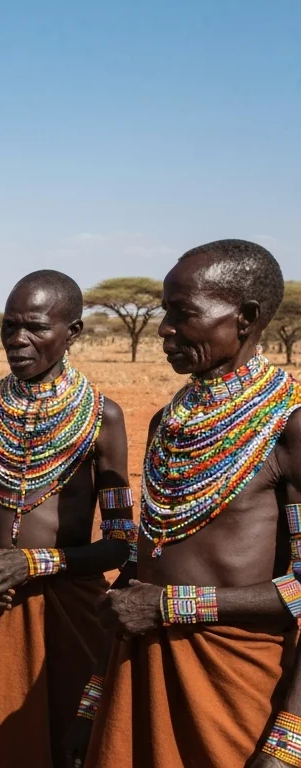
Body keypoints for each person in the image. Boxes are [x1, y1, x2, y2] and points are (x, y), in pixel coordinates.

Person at [87, 240, 301, 767]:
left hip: (233, 691)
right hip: (139, 667)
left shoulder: (290, 428)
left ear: (245, 318)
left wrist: (288, 744)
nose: (164, 329)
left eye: (182, 314)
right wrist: (92, 703)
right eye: (164, 312)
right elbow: (143, 561)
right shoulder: (169, 422)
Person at [0, 270, 134, 767]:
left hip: (67, 608)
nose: (16, 340)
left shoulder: (102, 418)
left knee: (68, 745)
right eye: (9, 326)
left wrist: (32, 564)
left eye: (34, 327)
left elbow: (120, 542)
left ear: (72, 332)